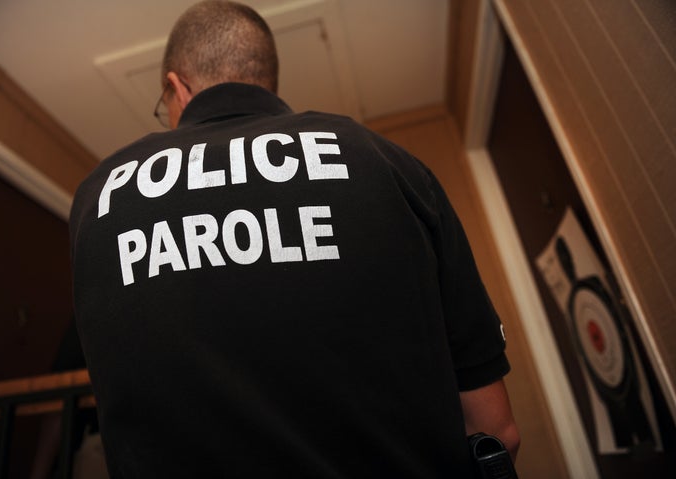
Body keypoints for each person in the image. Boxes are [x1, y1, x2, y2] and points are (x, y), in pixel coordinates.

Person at [69, 1, 520, 477]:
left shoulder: (101, 199)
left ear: (174, 88)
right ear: (267, 79)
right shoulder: (382, 161)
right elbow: (495, 432)